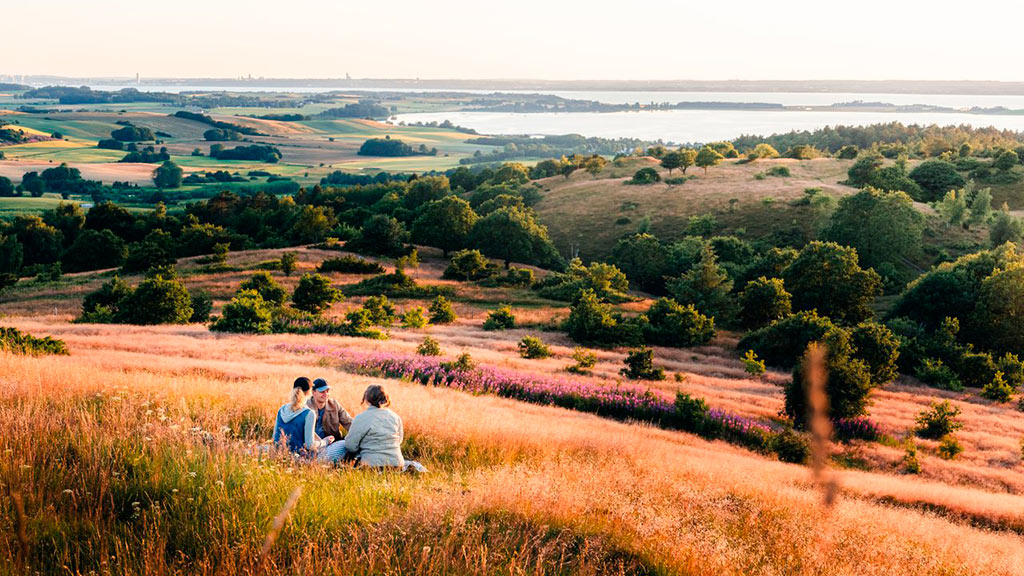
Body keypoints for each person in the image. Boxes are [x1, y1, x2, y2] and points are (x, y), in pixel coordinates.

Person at [345, 384, 425, 472]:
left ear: (366, 398)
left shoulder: (361, 418)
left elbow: (350, 445)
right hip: (397, 465)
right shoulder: (395, 417)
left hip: (371, 466)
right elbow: (399, 441)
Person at [272, 377, 345, 463]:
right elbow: (309, 445)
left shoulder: (282, 409)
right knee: (343, 444)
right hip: (300, 459)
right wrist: (325, 441)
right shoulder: (309, 413)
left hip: (278, 454)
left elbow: (274, 437)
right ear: (310, 392)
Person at [307, 378, 352, 443]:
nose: (326, 394)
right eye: (322, 392)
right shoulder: (306, 407)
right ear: (313, 392)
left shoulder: (334, 405)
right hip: (313, 444)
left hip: (334, 443)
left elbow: (349, 423)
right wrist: (322, 443)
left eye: (327, 391)